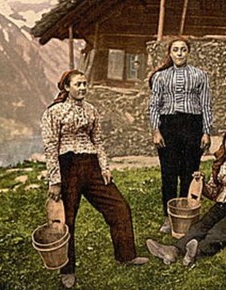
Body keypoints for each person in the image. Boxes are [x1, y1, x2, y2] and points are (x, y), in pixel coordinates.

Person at [41, 69, 147, 288]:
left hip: (91, 166)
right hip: (67, 166)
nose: (82, 88)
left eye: (84, 84)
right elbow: (50, 147)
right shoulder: (54, 112)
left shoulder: (91, 110)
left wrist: (104, 168)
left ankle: (126, 256)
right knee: (67, 220)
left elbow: (97, 141)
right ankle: (67, 270)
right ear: (67, 87)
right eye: (77, 84)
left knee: (119, 207)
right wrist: (55, 180)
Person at [146, 128, 226, 266]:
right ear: (224, 145)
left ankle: (196, 252)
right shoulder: (222, 163)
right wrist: (201, 183)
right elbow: (213, 193)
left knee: (219, 231)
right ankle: (173, 250)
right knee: (200, 227)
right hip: (221, 205)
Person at [148, 37, 213, 234]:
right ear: (170, 53)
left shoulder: (200, 75)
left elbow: (206, 105)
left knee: (189, 172)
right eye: (175, 50)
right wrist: (156, 130)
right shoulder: (160, 77)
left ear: (188, 52)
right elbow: (154, 106)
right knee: (169, 173)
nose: (179, 53)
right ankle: (168, 217)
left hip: (192, 125)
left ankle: (186, 214)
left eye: (183, 49)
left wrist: (206, 132)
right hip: (168, 126)